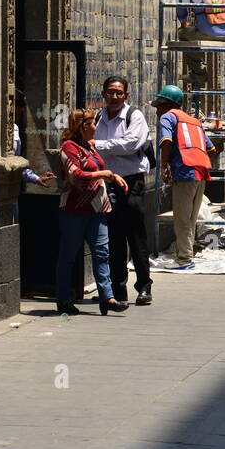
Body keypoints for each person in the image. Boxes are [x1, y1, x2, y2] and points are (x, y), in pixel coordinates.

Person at [57, 109, 129, 316]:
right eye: (92, 124)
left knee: (101, 253)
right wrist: (105, 174)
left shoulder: (90, 147)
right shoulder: (68, 147)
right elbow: (75, 173)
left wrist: (112, 176)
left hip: (97, 208)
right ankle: (63, 300)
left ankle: (107, 298)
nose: (96, 128)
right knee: (68, 255)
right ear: (83, 126)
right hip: (74, 209)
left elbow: (98, 169)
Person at [93, 76, 154, 306]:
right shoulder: (99, 118)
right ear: (104, 94)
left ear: (126, 95)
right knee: (113, 237)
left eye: (119, 92)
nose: (115, 96)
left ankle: (144, 287)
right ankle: (118, 290)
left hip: (131, 182)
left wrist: (99, 146)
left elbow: (130, 145)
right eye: (110, 92)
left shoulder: (134, 116)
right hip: (106, 183)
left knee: (136, 235)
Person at [154, 84, 218, 266]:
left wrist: (165, 166)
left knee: (181, 218)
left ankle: (184, 259)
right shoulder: (194, 121)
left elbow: (166, 141)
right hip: (201, 172)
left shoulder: (168, 117)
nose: (157, 110)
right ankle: (186, 252)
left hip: (184, 172)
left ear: (167, 104)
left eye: (159, 105)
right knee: (190, 218)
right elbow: (212, 148)